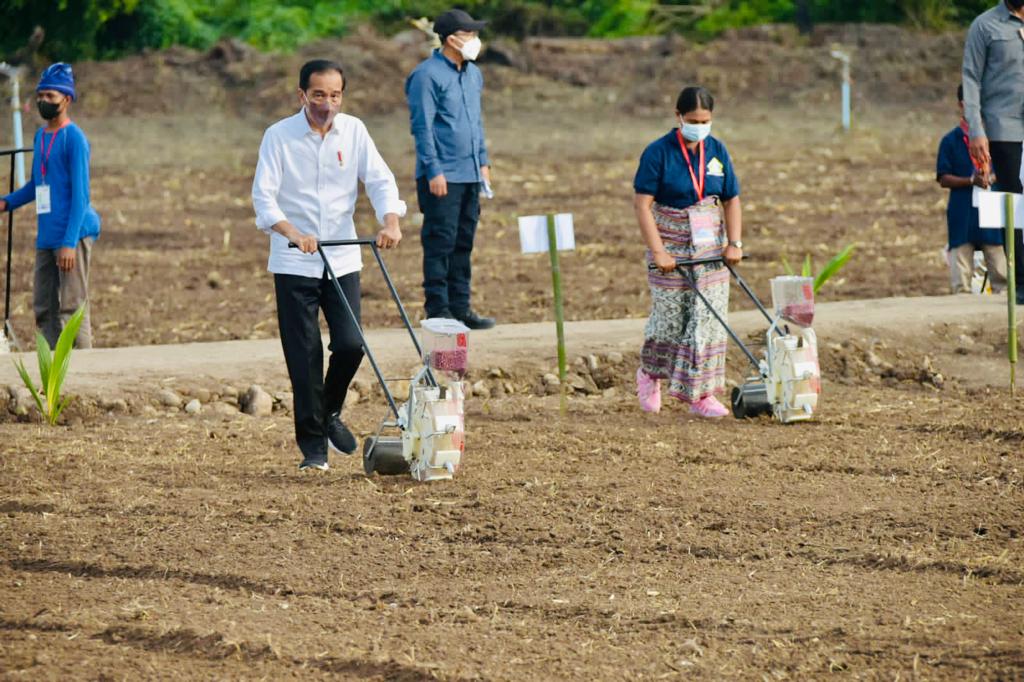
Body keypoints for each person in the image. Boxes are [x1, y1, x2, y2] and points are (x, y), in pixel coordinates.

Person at [252, 59, 405, 471]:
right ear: (302, 94)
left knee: (352, 343)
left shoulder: (353, 131)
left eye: (335, 95)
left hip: (340, 257)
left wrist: (390, 220)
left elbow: (379, 180)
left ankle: (329, 411)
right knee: (304, 357)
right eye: (318, 94)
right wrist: (291, 231)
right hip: (294, 260)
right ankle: (314, 451)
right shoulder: (279, 137)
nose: (327, 103)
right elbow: (264, 199)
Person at [633, 86, 743, 419]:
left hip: (710, 247)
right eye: (693, 119)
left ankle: (702, 394)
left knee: (707, 321)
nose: (699, 125)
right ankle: (651, 374)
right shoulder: (658, 153)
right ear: (678, 116)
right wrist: (659, 252)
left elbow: (731, 198)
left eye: (705, 120)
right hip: (672, 245)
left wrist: (734, 243)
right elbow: (642, 204)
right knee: (670, 320)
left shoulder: (717, 150)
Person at [405, 9, 495, 330]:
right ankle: (438, 308)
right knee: (440, 241)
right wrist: (433, 170)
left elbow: (476, 123)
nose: (474, 40)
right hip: (442, 175)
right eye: (469, 34)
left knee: (463, 242)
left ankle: (461, 307)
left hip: (470, 172)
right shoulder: (426, 76)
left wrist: (483, 163)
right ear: (451, 38)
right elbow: (422, 127)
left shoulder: (473, 74)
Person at [0, 62, 100, 348]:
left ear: (66, 100)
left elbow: (81, 197)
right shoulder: (41, 137)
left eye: (51, 97)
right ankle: (52, 370)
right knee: (44, 307)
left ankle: (83, 372)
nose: (44, 101)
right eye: (41, 96)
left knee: (72, 308)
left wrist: (69, 243)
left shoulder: (74, 139)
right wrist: (6, 203)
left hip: (73, 233)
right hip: (47, 234)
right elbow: (37, 185)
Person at [962, 0, 1024, 303]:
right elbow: (971, 79)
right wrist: (976, 129)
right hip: (1004, 128)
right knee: (1015, 204)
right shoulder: (985, 25)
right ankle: (1022, 282)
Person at [937, 85, 1007, 294]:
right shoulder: (950, 141)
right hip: (962, 208)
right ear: (961, 105)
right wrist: (970, 180)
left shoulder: (997, 138)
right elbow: (943, 177)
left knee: (998, 262)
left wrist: (993, 177)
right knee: (961, 264)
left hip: (992, 208)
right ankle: (963, 305)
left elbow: (1009, 169)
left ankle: (1001, 309)